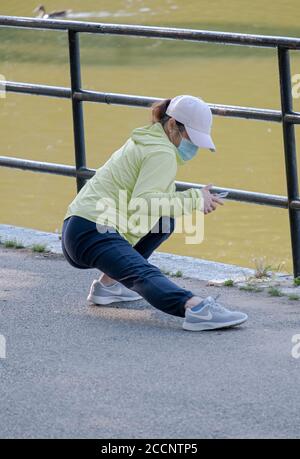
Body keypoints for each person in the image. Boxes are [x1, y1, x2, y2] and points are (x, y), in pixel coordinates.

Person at [61, 95, 248, 331]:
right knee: (142, 273)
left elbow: (151, 203)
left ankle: (109, 285)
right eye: (192, 138)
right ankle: (194, 308)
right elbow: (145, 202)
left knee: (164, 222)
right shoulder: (162, 153)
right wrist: (195, 198)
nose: (194, 147)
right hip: (94, 232)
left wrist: (195, 198)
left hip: (78, 228)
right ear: (172, 126)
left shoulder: (148, 140)